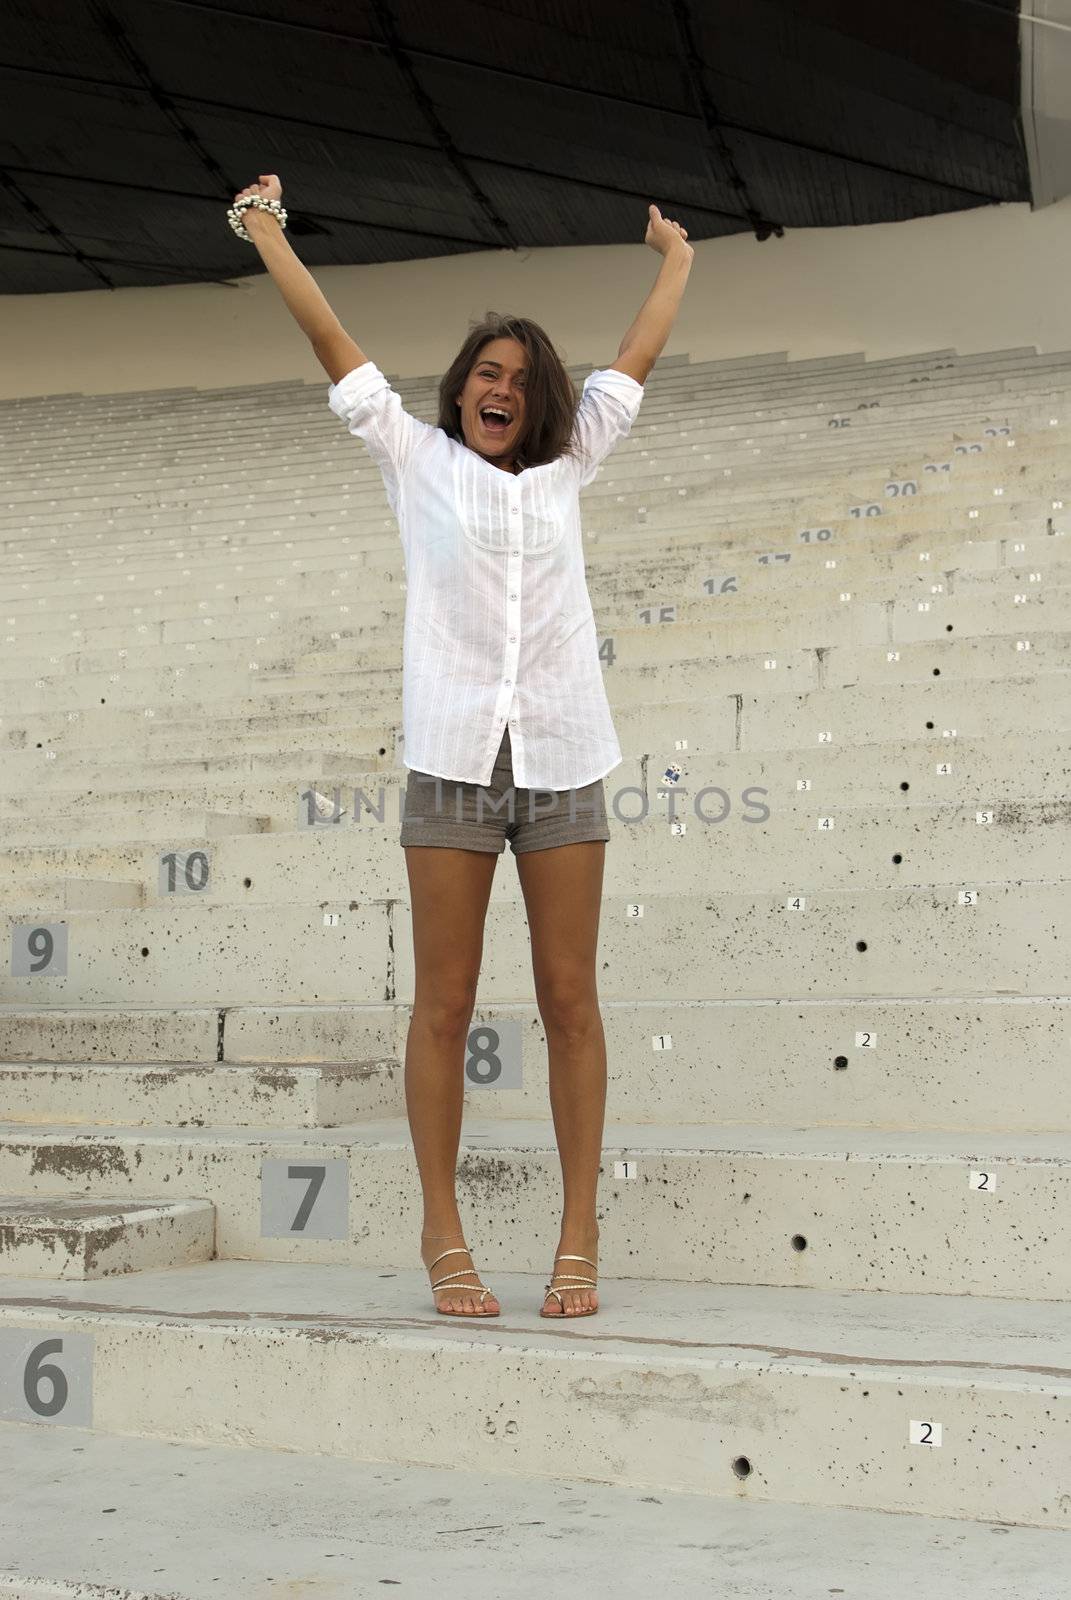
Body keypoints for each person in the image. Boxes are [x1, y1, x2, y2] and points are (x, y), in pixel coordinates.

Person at [230, 176, 694, 1319]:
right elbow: (330, 334)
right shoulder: (412, 455)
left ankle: (578, 1231)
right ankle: (445, 1233)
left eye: (523, 380)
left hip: (563, 752)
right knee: (442, 1003)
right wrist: (259, 228)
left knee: (571, 998)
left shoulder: (570, 462)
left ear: (543, 407)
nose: (504, 389)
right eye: (489, 372)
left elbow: (634, 357)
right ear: (460, 387)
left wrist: (673, 257)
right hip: (451, 756)